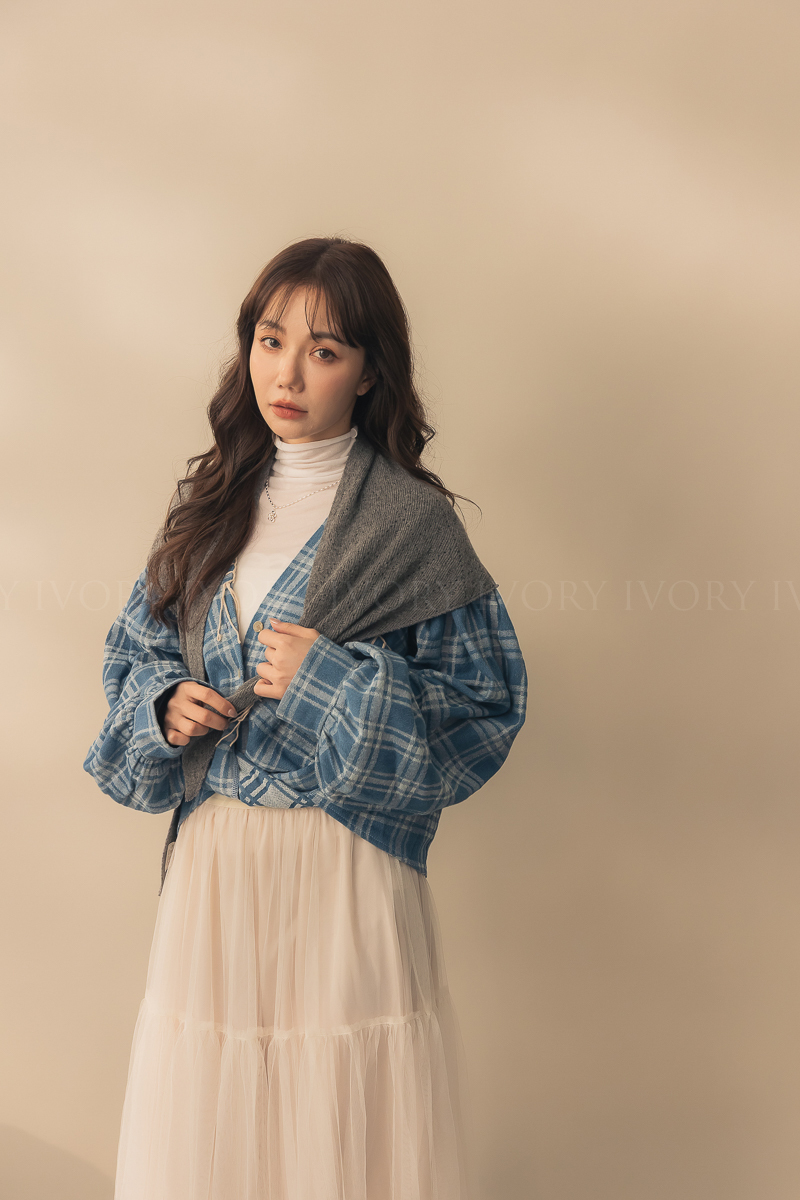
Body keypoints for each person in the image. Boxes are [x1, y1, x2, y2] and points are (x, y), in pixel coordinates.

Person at [84, 236, 528, 1200]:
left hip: (344, 866)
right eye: (271, 340)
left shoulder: (413, 525)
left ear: (369, 373)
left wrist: (329, 680)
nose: (286, 374)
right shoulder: (208, 509)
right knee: (214, 1122)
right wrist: (163, 705)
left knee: (342, 1117)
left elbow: (485, 707)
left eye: (324, 351)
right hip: (217, 868)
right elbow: (133, 652)